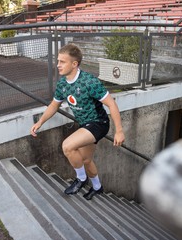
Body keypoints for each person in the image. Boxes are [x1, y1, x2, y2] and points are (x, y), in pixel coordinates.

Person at [30, 43, 125, 200]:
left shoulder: (89, 82)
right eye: (58, 61)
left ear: (74, 64)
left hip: (98, 123)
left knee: (67, 146)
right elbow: (54, 105)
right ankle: (97, 187)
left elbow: (111, 104)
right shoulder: (62, 84)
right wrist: (39, 123)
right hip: (85, 125)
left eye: (62, 61)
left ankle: (81, 179)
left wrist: (119, 130)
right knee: (86, 160)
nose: (58, 65)